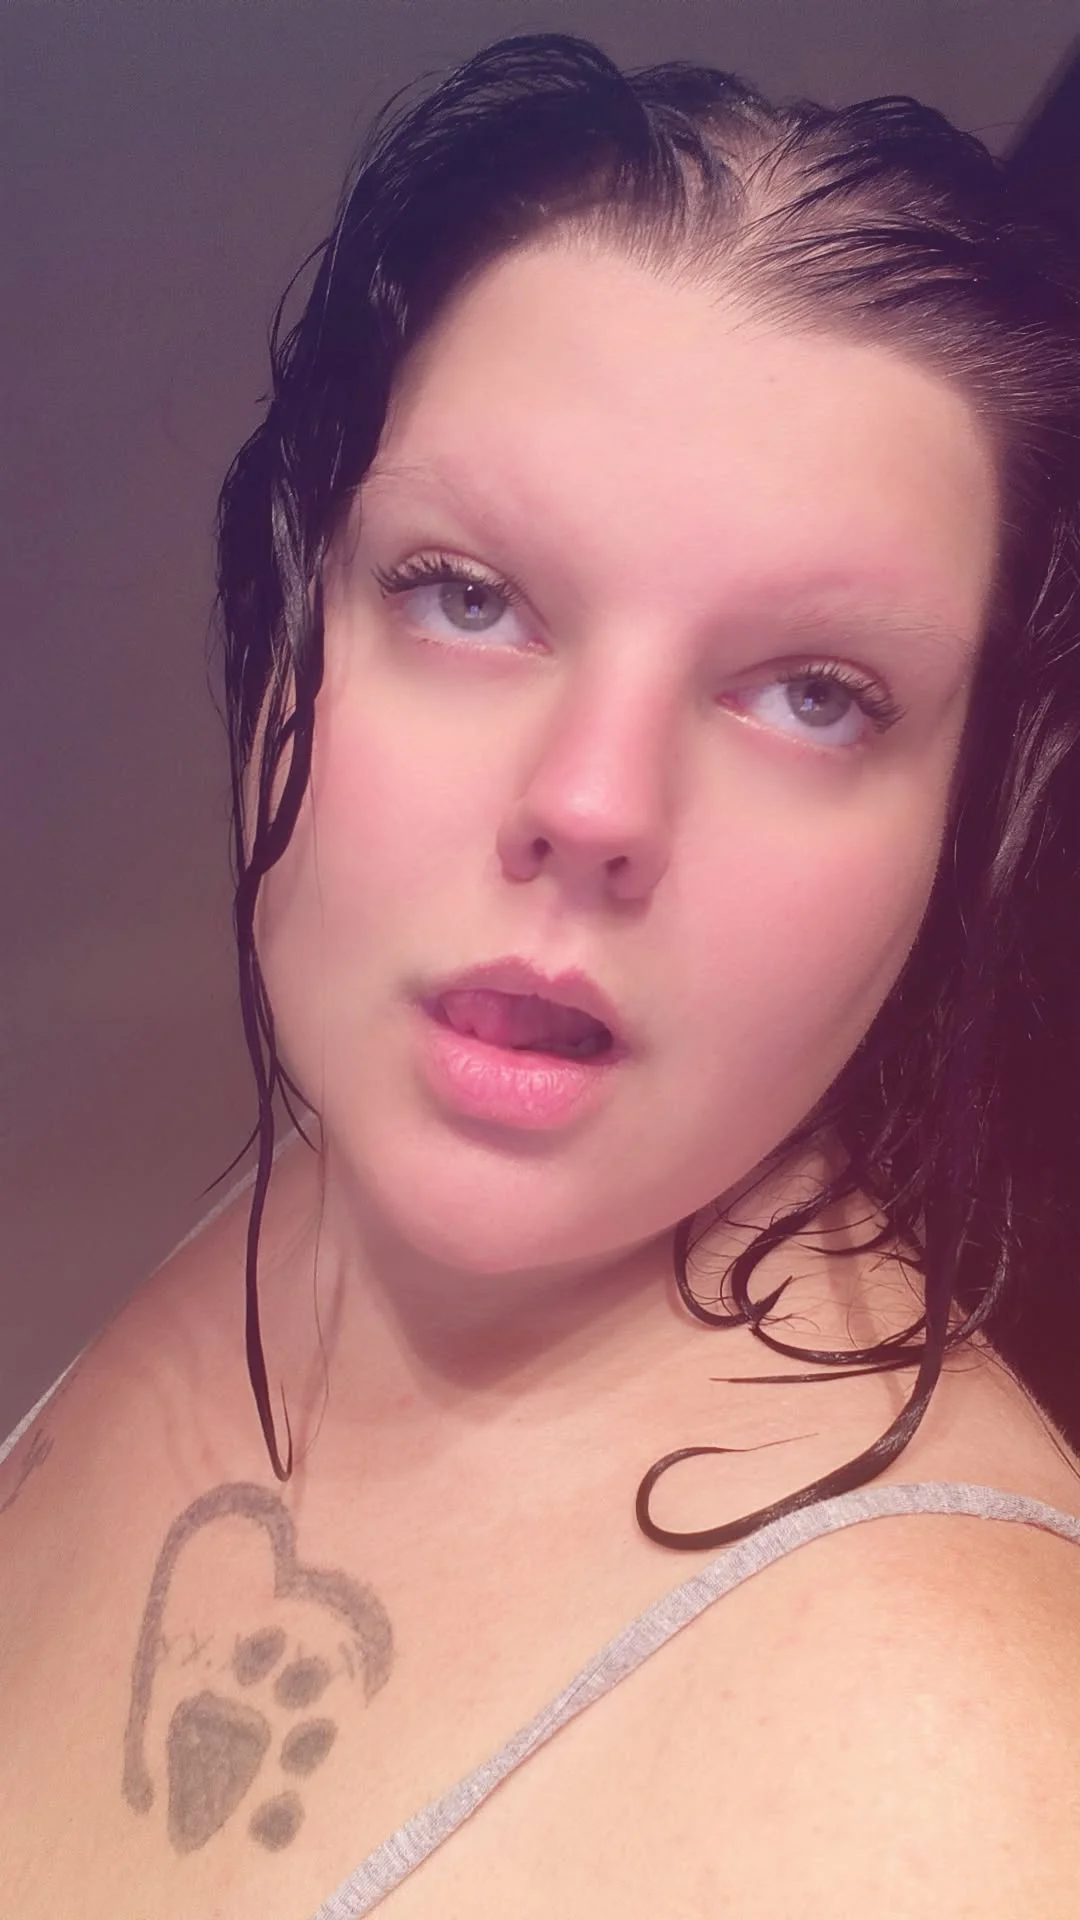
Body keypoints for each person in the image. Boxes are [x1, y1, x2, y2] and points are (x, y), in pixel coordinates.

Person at [3, 30, 1080, 1917]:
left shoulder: (951, 1776)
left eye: (814, 695)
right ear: (293, 608)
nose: (591, 804)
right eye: (468, 594)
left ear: (969, 813)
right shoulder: (319, 1194)